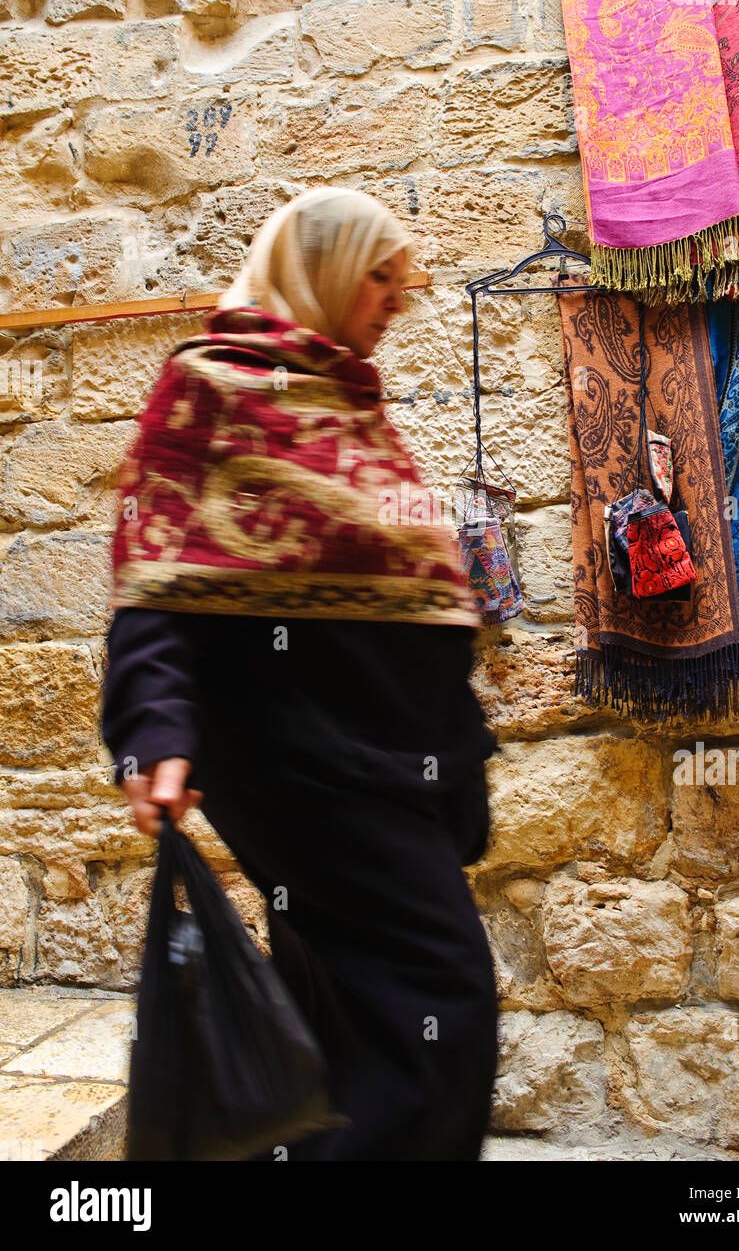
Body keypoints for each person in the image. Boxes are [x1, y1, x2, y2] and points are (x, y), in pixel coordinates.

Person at [100, 186, 500, 1162]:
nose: (397, 301)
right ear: (318, 268)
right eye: (379, 276)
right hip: (295, 758)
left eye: (403, 282)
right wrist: (154, 726)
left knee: (351, 1012)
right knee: (443, 1002)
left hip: (388, 762)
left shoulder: (345, 395)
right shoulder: (213, 387)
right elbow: (154, 571)